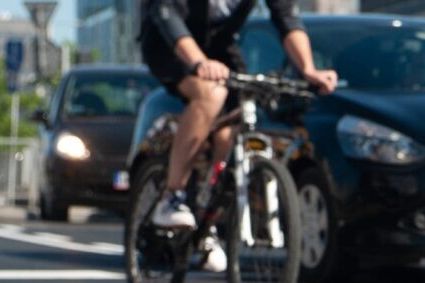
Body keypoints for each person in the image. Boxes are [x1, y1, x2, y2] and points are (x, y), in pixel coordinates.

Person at [140, 1, 337, 229]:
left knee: (236, 118)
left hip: (218, 45)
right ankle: (172, 196)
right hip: (167, 42)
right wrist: (200, 62)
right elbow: (167, 13)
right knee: (210, 94)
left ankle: (206, 216)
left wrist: (308, 69)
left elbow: (288, 19)